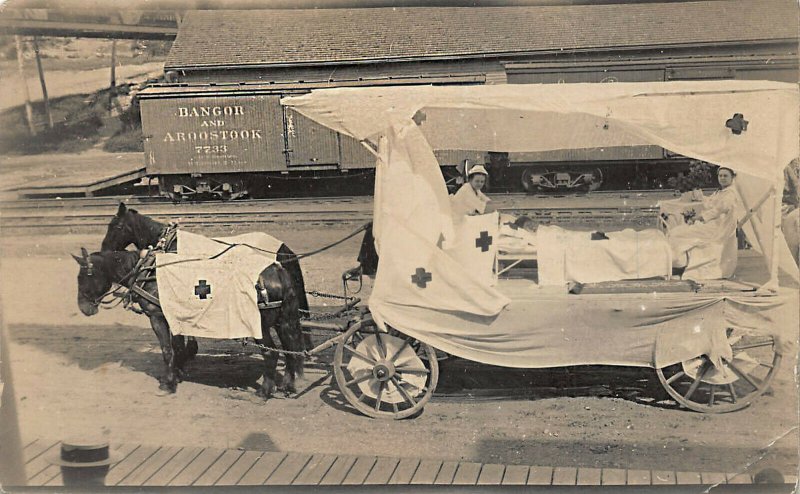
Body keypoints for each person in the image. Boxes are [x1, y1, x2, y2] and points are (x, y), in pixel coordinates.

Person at [668, 167, 741, 275]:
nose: (722, 178)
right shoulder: (722, 192)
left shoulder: (730, 194)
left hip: (718, 228)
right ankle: (678, 262)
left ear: (733, 177)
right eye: (720, 176)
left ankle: (679, 263)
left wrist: (700, 218)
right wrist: (701, 197)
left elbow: (717, 210)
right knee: (677, 231)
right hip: (712, 224)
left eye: (725, 176)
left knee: (678, 233)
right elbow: (711, 203)